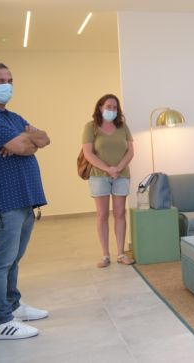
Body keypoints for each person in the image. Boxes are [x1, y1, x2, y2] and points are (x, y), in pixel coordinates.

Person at [0, 62, 50, 340]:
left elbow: (45, 139)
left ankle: (13, 306)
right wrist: (24, 141)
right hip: (3, 202)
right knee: (1, 261)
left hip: (23, 200)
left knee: (13, 258)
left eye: (10, 80)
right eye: (0, 81)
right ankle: (1, 322)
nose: (7, 85)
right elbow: (23, 147)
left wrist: (26, 138)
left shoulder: (12, 117)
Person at [82, 94, 135, 268]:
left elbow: (130, 151)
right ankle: (105, 255)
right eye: (108, 107)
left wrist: (118, 168)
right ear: (100, 107)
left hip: (121, 175)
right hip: (99, 176)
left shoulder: (123, 127)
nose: (112, 110)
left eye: (114, 107)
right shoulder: (91, 127)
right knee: (102, 215)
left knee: (120, 213)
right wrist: (108, 169)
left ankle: (120, 254)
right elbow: (88, 153)